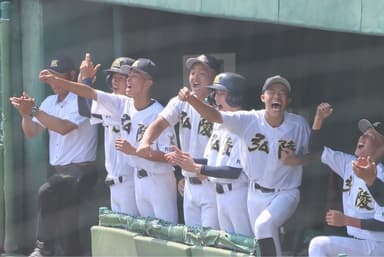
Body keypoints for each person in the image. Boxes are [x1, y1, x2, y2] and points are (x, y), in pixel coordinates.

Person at [173, 75, 311, 256]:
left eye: (282, 93)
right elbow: (215, 118)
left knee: (263, 227)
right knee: (249, 243)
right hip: (254, 193)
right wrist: (191, 101)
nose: (276, 96)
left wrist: (298, 160)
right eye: (271, 92)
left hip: (282, 191)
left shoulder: (297, 124)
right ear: (263, 97)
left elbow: (314, 156)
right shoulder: (247, 120)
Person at [38, 57, 178, 224]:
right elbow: (87, 102)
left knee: (164, 235)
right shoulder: (122, 104)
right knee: (137, 237)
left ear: (147, 82)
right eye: (115, 77)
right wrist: (68, 80)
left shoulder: (158, 113)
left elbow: (171, 156)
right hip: (128, 181)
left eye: (125, 77)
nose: (118, 82)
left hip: (150, 179)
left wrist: (136, 151)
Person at [10, 56, 98, 257]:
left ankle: (43, 248)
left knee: (46, 191)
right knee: (67, 220)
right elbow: (31, 131)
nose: (54, 83)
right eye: (51, 78)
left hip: (82, 169)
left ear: (71, 76)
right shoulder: (49, 101)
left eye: (58, 78)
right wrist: (25, 114)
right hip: (60, 171)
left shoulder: (81, 98)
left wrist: (34, 110)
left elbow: (64, 127)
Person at [137, 54, 222, 229]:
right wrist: (146, 142)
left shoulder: (219, 105)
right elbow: (159, 123)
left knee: (209, 242)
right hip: (189, 184)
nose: (195, 78)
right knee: (192, 240)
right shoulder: (180, 102)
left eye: (202, 73)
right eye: (192, 72)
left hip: (211, 182)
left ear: (213, 77)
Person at [165, 72, 253, 236]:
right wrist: (185, 159)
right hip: (221, 195)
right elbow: (212, 160)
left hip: (238, 194)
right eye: (216, 93)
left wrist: (197, 167)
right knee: (227, 247)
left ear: (234, 97)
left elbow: (233, 171)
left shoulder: (245, 124)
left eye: (221, 94)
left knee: (246, 246)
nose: (216, 98)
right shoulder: (219, 126)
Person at [308, 102, 384, 257]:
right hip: (359, 242)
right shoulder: (348, 164)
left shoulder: (381, 175)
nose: (362, 136)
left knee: (319, 244)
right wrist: (319, 119)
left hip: (378, 244)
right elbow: (315, 150)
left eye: (370, 135)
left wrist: (346, 220)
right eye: (363, 133)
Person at [77, 53, 139, 215]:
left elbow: (88, 104)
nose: (115, 81)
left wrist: (86, 81)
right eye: (114, 77)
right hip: (115, 183)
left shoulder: (126, 104)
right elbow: (85, 110)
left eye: (121, 77)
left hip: (130, 181)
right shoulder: (114, 103)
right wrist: (82, 80)